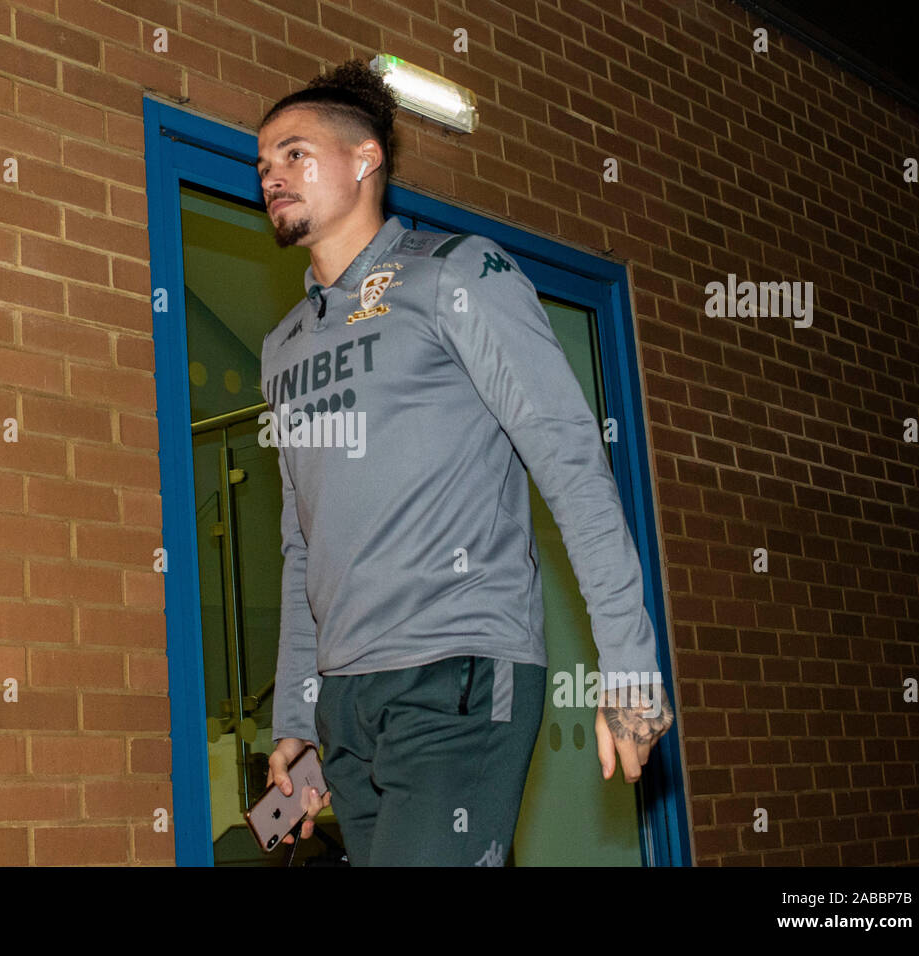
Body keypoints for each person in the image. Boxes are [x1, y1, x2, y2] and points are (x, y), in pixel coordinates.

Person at [255, 59, 675, 866]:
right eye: (264, 165)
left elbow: (570, 462)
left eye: (295, 154)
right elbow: (301, 546)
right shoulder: (284, 348)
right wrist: (301, 725)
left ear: (365, 158)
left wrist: (627, 662)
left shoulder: (455, 275)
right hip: (348, 701)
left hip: (460, 671)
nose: (272, 176)